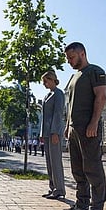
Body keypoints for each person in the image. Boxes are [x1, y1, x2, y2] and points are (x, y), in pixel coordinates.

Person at [62, 42, 106, 210]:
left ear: (82, 53)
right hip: (74, 129)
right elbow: (70, 105)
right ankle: (81, 204)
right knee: (78, 169)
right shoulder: (74, 77)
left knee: (93, 169)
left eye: (71, 57)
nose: (69, 61)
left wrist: (94, 122)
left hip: (88, 129)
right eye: (67, 58)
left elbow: (101, 97)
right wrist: (67, 126)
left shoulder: (95, 72)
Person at [39, 70, 65, 200]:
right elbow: (44, 117)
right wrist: (42, 133)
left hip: (54, 132)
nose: (44, 84)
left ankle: (59, 189)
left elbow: (58, 114)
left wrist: (55, 131)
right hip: (47, 133)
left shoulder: (59, 94)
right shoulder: (47, 95)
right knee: (49, 162)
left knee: (56, 162)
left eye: (46, 81)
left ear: (52, 79)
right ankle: (52, 187)